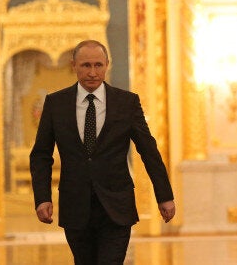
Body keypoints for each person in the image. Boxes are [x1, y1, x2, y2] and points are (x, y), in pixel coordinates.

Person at [30, 40, 176, 265]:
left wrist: (164, 195)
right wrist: (42, 198)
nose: (92, 72)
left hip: (116, 205)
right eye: (86, 65)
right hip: (75, 205)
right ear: (74, 66)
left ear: (107, 64)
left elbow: (148, 150)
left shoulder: (126, 102)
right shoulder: (56, 103)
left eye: (98, 65)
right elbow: (41, 154)